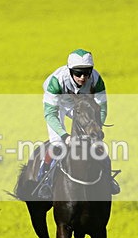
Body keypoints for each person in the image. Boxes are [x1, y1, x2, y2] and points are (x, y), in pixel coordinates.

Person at [36, 48, 119, 199]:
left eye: (87, 73)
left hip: (82, 106)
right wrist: (64, 135)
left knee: (97, 144)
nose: (83, 77)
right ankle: (44, 180)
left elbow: (101, 108)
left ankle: (108, 179)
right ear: (70, 71)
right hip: (58, 105)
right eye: (78, 73)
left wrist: (96, 129)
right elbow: (50, 114)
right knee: (57, 144)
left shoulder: (97, 79)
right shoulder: (56, 82)